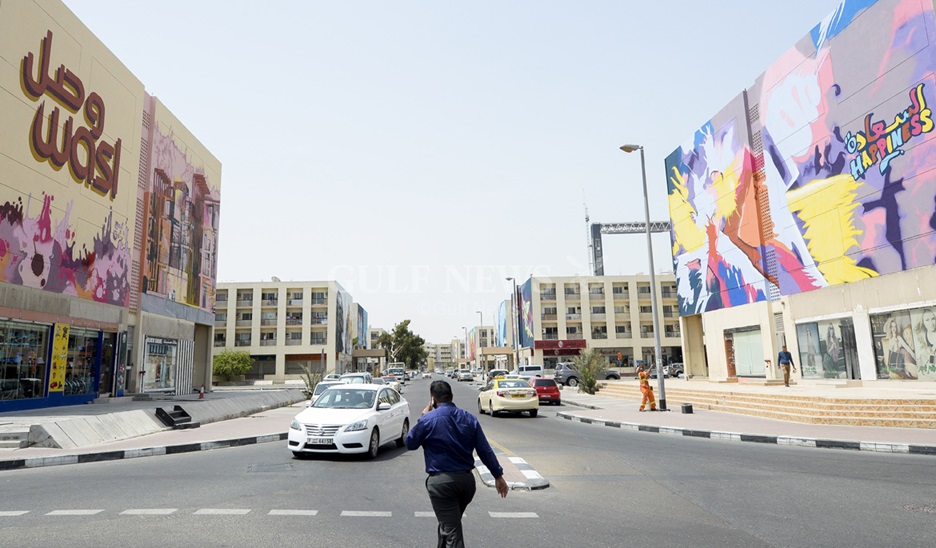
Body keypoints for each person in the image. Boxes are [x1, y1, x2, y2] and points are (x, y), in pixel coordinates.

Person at [405, 380, 509, 547]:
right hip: (466, 484)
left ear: (433, 400)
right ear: (452, 397)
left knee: (451, 530)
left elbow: (410, 443)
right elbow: (485, 450)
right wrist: (498, 475)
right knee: (448, 524)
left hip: (441, 484)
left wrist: (423, 417)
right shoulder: (469, 418)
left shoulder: (428, 419)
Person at [915, 308, 936, 377]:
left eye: (933, 319)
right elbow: (930, 356)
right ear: (923, 322)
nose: (931, 323)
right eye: (927, 320)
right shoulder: (924, 337)